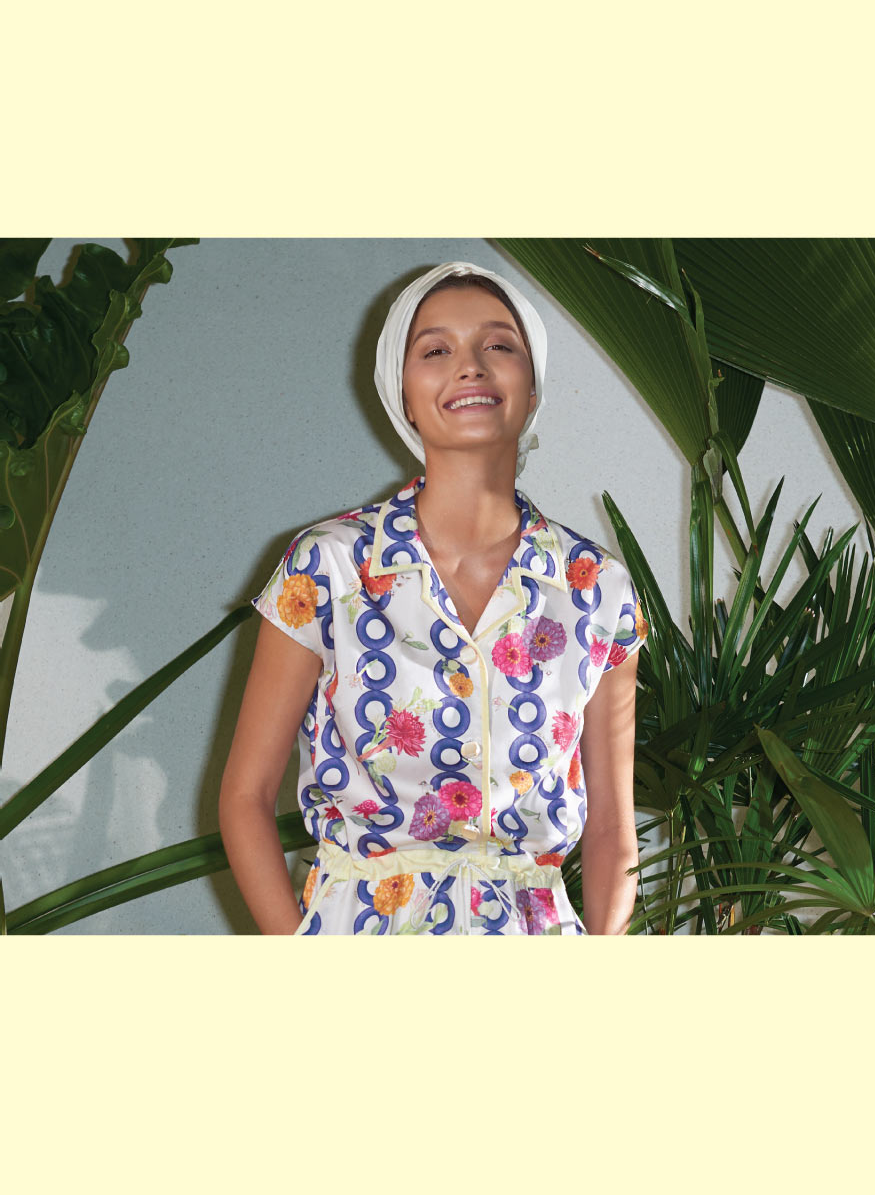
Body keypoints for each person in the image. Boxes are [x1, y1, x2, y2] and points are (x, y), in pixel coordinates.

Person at [218, 259, 648, 935]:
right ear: (404, 394)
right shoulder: (327, 568)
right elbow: (244, 798)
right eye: (436, 351)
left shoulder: (597, 590)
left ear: (533, 385)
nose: (470, 366)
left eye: (498, 345)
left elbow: (613, 834)